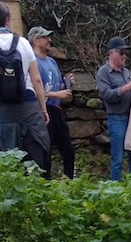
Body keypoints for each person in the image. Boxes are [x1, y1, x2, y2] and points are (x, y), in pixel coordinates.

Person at [0, 1, 50, 176]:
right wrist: (43, 109)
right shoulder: (23, 43)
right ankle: (37, 185)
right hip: (26, 108)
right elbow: (36, 79)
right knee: (38, 145)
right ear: (7, 20)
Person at [96, 36, 131, 180]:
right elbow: (107, 95)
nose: (124, 56)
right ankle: (115, 192)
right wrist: (127, 87)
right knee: (118, 159)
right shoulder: (103, 73)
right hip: (117, 119)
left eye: (125, 53)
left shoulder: (126, 72)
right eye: (121, 53)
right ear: (111, 53)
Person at [29, 26, 76, 179]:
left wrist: (68, 84)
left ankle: (70, 182)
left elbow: (58, 86)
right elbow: (34, 90)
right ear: (36, 41)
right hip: (42, 112)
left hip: (56, 110)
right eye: (45, 37)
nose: (49, 40)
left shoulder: (52, 62)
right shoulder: (32, 62)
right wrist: (58, 94)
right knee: (45, 152)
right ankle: (46, 186)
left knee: (68, 150)